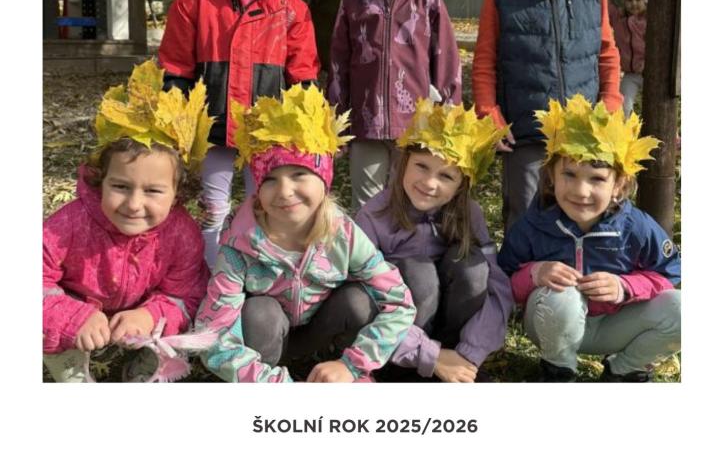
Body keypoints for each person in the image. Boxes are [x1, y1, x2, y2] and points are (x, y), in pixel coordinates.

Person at [159, 0, 320, 267]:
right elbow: (176, 63)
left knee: (263, 206)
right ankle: (211, 277)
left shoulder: (290, 6)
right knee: (212, 208)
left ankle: (256, 276)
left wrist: (305, 124)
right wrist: (175, 116)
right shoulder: (194, 0)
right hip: (212, 125)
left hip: (266, 129)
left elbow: (303, 71)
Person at [194, 84, 416, 382]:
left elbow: (400, 303)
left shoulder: (343, 234)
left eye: (299, 174)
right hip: (266, 339)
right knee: (260, 312)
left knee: (358, 301)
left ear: (324, 180)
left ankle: (338, 372)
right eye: (270, 180)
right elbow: (212, 334)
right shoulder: (239, 245)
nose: (285, 191)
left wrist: (352, 366)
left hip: (322, 331)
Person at [472, 0, 622, 230]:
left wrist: (610, 103)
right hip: (526, 131)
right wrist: (489, 112)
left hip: (582, 128)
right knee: (524, 217)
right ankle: (519, 270)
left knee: (581, 215)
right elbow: (486, 57)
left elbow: (606, 51)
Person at [42, 60, 211, 383]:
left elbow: (188, 293)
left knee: (176, 327)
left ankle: (143, 362)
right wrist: (72, 316)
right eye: (120, 186)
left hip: (138, 311)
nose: (134, 205)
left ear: (178, 192)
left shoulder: (182, 234)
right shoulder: (68, 226)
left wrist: (150, 314)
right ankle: (71, 366)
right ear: (100, 180)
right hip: (77, 308)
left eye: (153, 191)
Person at [498, 95, 681, 382]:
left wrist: (625, 286)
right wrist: (534, 273)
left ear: (618, 184)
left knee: (683, 309)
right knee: (563, 294)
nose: (581, 191)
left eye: (596, 178)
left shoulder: (637, 227)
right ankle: (559, 368)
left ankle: (625, 369)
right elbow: (502, 279)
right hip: (551, 324)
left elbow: (670, 272)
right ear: (551, 177)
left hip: (616, 324)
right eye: (569, 174)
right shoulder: (533, 225)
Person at [328, 0, 461, 211]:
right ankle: (368, 249)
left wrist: (448, 116)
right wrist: (336, 119)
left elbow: (446, 62)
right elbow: (339, 64)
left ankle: (409, 248)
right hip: (365, 124)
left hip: (416, 127)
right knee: (368, 204)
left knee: (410, 202)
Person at [356, 99, 513, 382]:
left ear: (461, 185)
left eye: (446, 176)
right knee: (418, 273)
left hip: (454, 345)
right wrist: (427, 354)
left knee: (473, 266)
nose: (429, 183)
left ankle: (454, 365)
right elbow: (363, 294)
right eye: (421, 166)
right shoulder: (374, 215)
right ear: (403, 162)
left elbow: (497, 287)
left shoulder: (470, 214)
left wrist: (470, 353)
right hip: (397, 339)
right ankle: (405, 371)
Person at [610, 0, 648, 117]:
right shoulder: (619, 20)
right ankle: (627, 127)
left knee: (654, 106)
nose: (634, 3)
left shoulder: (649, 21)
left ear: (646, 1)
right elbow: (608, 7)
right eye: (629, 0)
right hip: (630, 74)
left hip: (649, 73)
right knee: (624, 105)